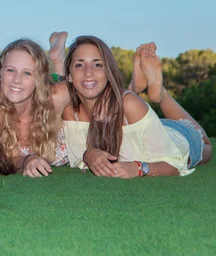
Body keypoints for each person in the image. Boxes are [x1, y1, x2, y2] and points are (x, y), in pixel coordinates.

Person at [62, 36, 212, 178]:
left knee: (207, 147)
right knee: (127, 106)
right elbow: (78, 158)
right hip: (143, 127)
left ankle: (161, 95)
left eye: (98, 64)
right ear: (68, 75)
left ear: (108, 73)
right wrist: (89, 154)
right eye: (79, 64)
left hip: (178, 136)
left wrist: (139, 168)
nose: (88, 72)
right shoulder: (71, 112)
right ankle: (134, 88)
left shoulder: (130, 105)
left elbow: (175, 165)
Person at [0, 33, 71, 178]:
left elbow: (102, 92)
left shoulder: (56, 96)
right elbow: (4, 158)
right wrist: (27, 159)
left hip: (49, 92)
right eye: (10, 70)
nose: (17, 80)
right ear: (0, 73)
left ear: (39, 78)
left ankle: (59, 61)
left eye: (27, 73)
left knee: (62, 84)